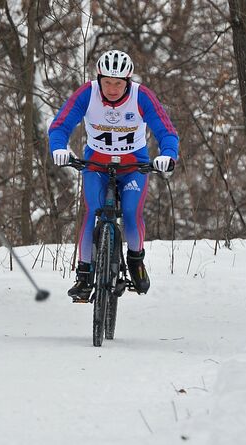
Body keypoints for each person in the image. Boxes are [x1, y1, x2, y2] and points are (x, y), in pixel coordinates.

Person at [48, 50, 179, 301]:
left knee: (131, 213)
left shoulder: (142, 96)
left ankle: (135, 260)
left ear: (128, 81)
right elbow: (60, 126)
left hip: (133, 167)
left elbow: (167, 132)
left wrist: (168, 155)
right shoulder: (87, 93)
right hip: (96, 164)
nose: (112, 88)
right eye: (106, 82)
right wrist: (59, 149)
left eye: (118, 83)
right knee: (93, 211)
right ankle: (84, 276)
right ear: (98, 79)